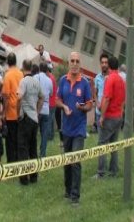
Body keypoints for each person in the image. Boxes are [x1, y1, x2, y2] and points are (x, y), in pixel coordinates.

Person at [56, 52, 92, 206]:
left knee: (75, 161)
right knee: (67, 161)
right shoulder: (63, 80)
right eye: (73, 61)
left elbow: (90, 104)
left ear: (80, 63)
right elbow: (57, 99)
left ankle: (75, 197)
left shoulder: (84, 83)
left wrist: (83, 107)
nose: (75, 63)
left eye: (77, 61)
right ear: (69, 63)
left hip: (79, 129)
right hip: (66, 129)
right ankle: (68, 190)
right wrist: (64, 106)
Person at [94, 56, 126, 179]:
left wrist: (102, 117)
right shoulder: (121, 80)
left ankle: (101, 173)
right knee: (114, 145)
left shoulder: (110, 79)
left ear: (109, 66)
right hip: (118, 116)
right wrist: (121, 112)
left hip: (109, 117)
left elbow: (106, 98)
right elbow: (123, 99)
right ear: (117, 66)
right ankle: (113, 171)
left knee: (102, 144)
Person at [17, 59, 43, 185]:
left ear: (23, 68)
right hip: (34, 118)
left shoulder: (23, 81)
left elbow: (19, 97)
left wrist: (18, 113)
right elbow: (42, 97)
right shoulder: (36, 82)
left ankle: (23, 178)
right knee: (33, 148)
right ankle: (34, 176)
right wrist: (37, 111)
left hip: (26, 117)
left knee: (23, 148)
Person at [1, 52, 23, 163]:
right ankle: (17, 160)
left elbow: (5, 96)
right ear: (15, 62)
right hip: (19, 113)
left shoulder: (7, 75)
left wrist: (3, 113)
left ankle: (11, 163)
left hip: (10, 113)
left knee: (9, 141)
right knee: (17, 140)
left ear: (7, 62)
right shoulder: (21, 74)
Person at [34, 62, 53, 158]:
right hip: (46, 109)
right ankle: (42, 153)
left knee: (34, 133)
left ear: (39, 68)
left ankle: (33, 152)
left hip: (37, 109)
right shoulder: (49, 80)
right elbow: (51, 93)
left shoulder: (36, 77)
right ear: (46, 70)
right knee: (44, 134)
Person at [92, 53, 109, 134]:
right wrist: (97, 103)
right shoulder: (97, 77)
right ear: (100, 64)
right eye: (102, 62)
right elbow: (94, 93)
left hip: (108, 112)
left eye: (106, 62)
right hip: (99, 112)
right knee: (100, 137)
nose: (104, 64)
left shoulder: (111, 77)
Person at [46, 66, 57, 141]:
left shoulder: (50, 78)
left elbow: (50, 92)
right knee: (52, 119)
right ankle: (52, 134)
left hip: (50, 102)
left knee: (49, 120)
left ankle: (49, 136)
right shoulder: (53, 77)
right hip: (54, 102)